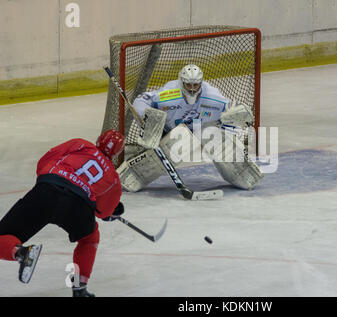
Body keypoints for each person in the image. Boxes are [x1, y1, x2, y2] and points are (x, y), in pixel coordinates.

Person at [0, 130, 126, 297]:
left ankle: (21, 253)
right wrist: (110, 213)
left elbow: (44, 161)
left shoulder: (81, 144)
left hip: (47, 191)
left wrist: (51, 181)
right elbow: (103, 212)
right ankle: (79, 289)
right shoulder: (113, 179)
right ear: (117, 152)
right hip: (77, 206)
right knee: (89, 239)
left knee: (3, 235)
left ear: (99, 139)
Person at [117, 64, 264, 192]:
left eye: (196, 85)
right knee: (181, 140)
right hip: (171, 132)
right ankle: (133, 175)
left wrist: (238, 115)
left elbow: (234, 110)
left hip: (200, 129)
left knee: (214, 136)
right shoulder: (169, 94)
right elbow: (141, 99)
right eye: (189, 85)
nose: (193, 89)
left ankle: (243, 174)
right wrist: (148, 122)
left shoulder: (213, 96)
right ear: (182, 82)